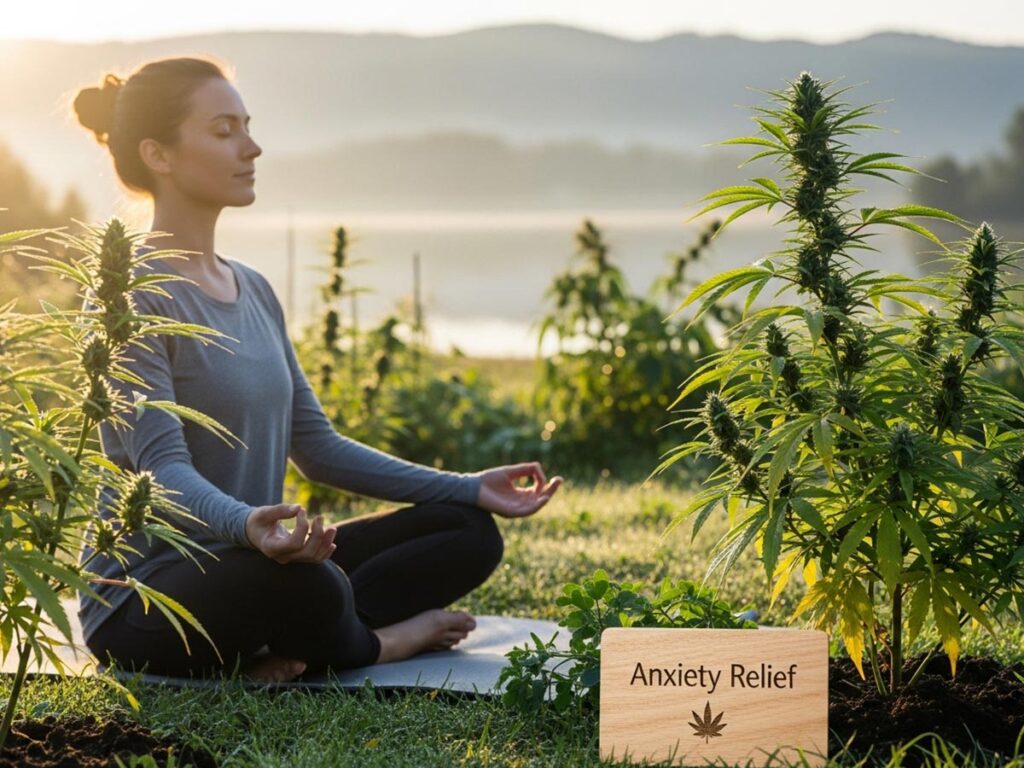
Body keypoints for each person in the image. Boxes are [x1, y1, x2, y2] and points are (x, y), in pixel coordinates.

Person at [71, 56, 563, 683]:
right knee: (308, 586)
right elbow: (162, 471)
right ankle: (377, 645)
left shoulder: (251, 288)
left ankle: (304, 640)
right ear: (158, 155)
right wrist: (248, 525)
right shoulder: (129, 296)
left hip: (258, 562)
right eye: (224, 131)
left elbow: (318, 448)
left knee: (465, 532)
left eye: (247, 126)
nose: (251, 147)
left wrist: (468, 485)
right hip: (150, 598)